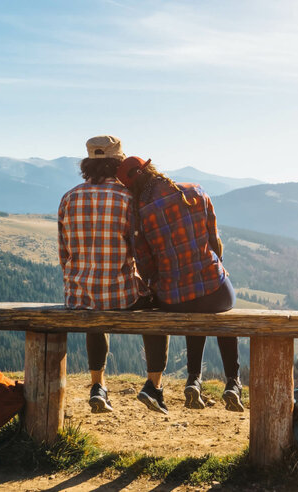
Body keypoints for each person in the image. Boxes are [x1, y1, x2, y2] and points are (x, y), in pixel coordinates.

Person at [116, 155, 244, 412]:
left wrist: (159, 283)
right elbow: (215, 242)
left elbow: (145, 264)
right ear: (151, 169)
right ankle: (232, 382)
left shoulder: (139, 213)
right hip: (213, 290)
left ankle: (194, 380)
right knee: (220, 308)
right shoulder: (194, 191)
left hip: (172, 298)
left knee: (190, 302)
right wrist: (212, 268)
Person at [57, 136, 170, 415]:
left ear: (87, 163)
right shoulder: (127, 197)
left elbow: (64, 252)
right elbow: (141, 250)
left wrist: (80, 277)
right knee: (157, 308)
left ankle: (98, 386)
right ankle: (153, 386)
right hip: (122, 294)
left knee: (94, 304)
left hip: (78, 294)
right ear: (119, 162)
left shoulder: (69, 197)